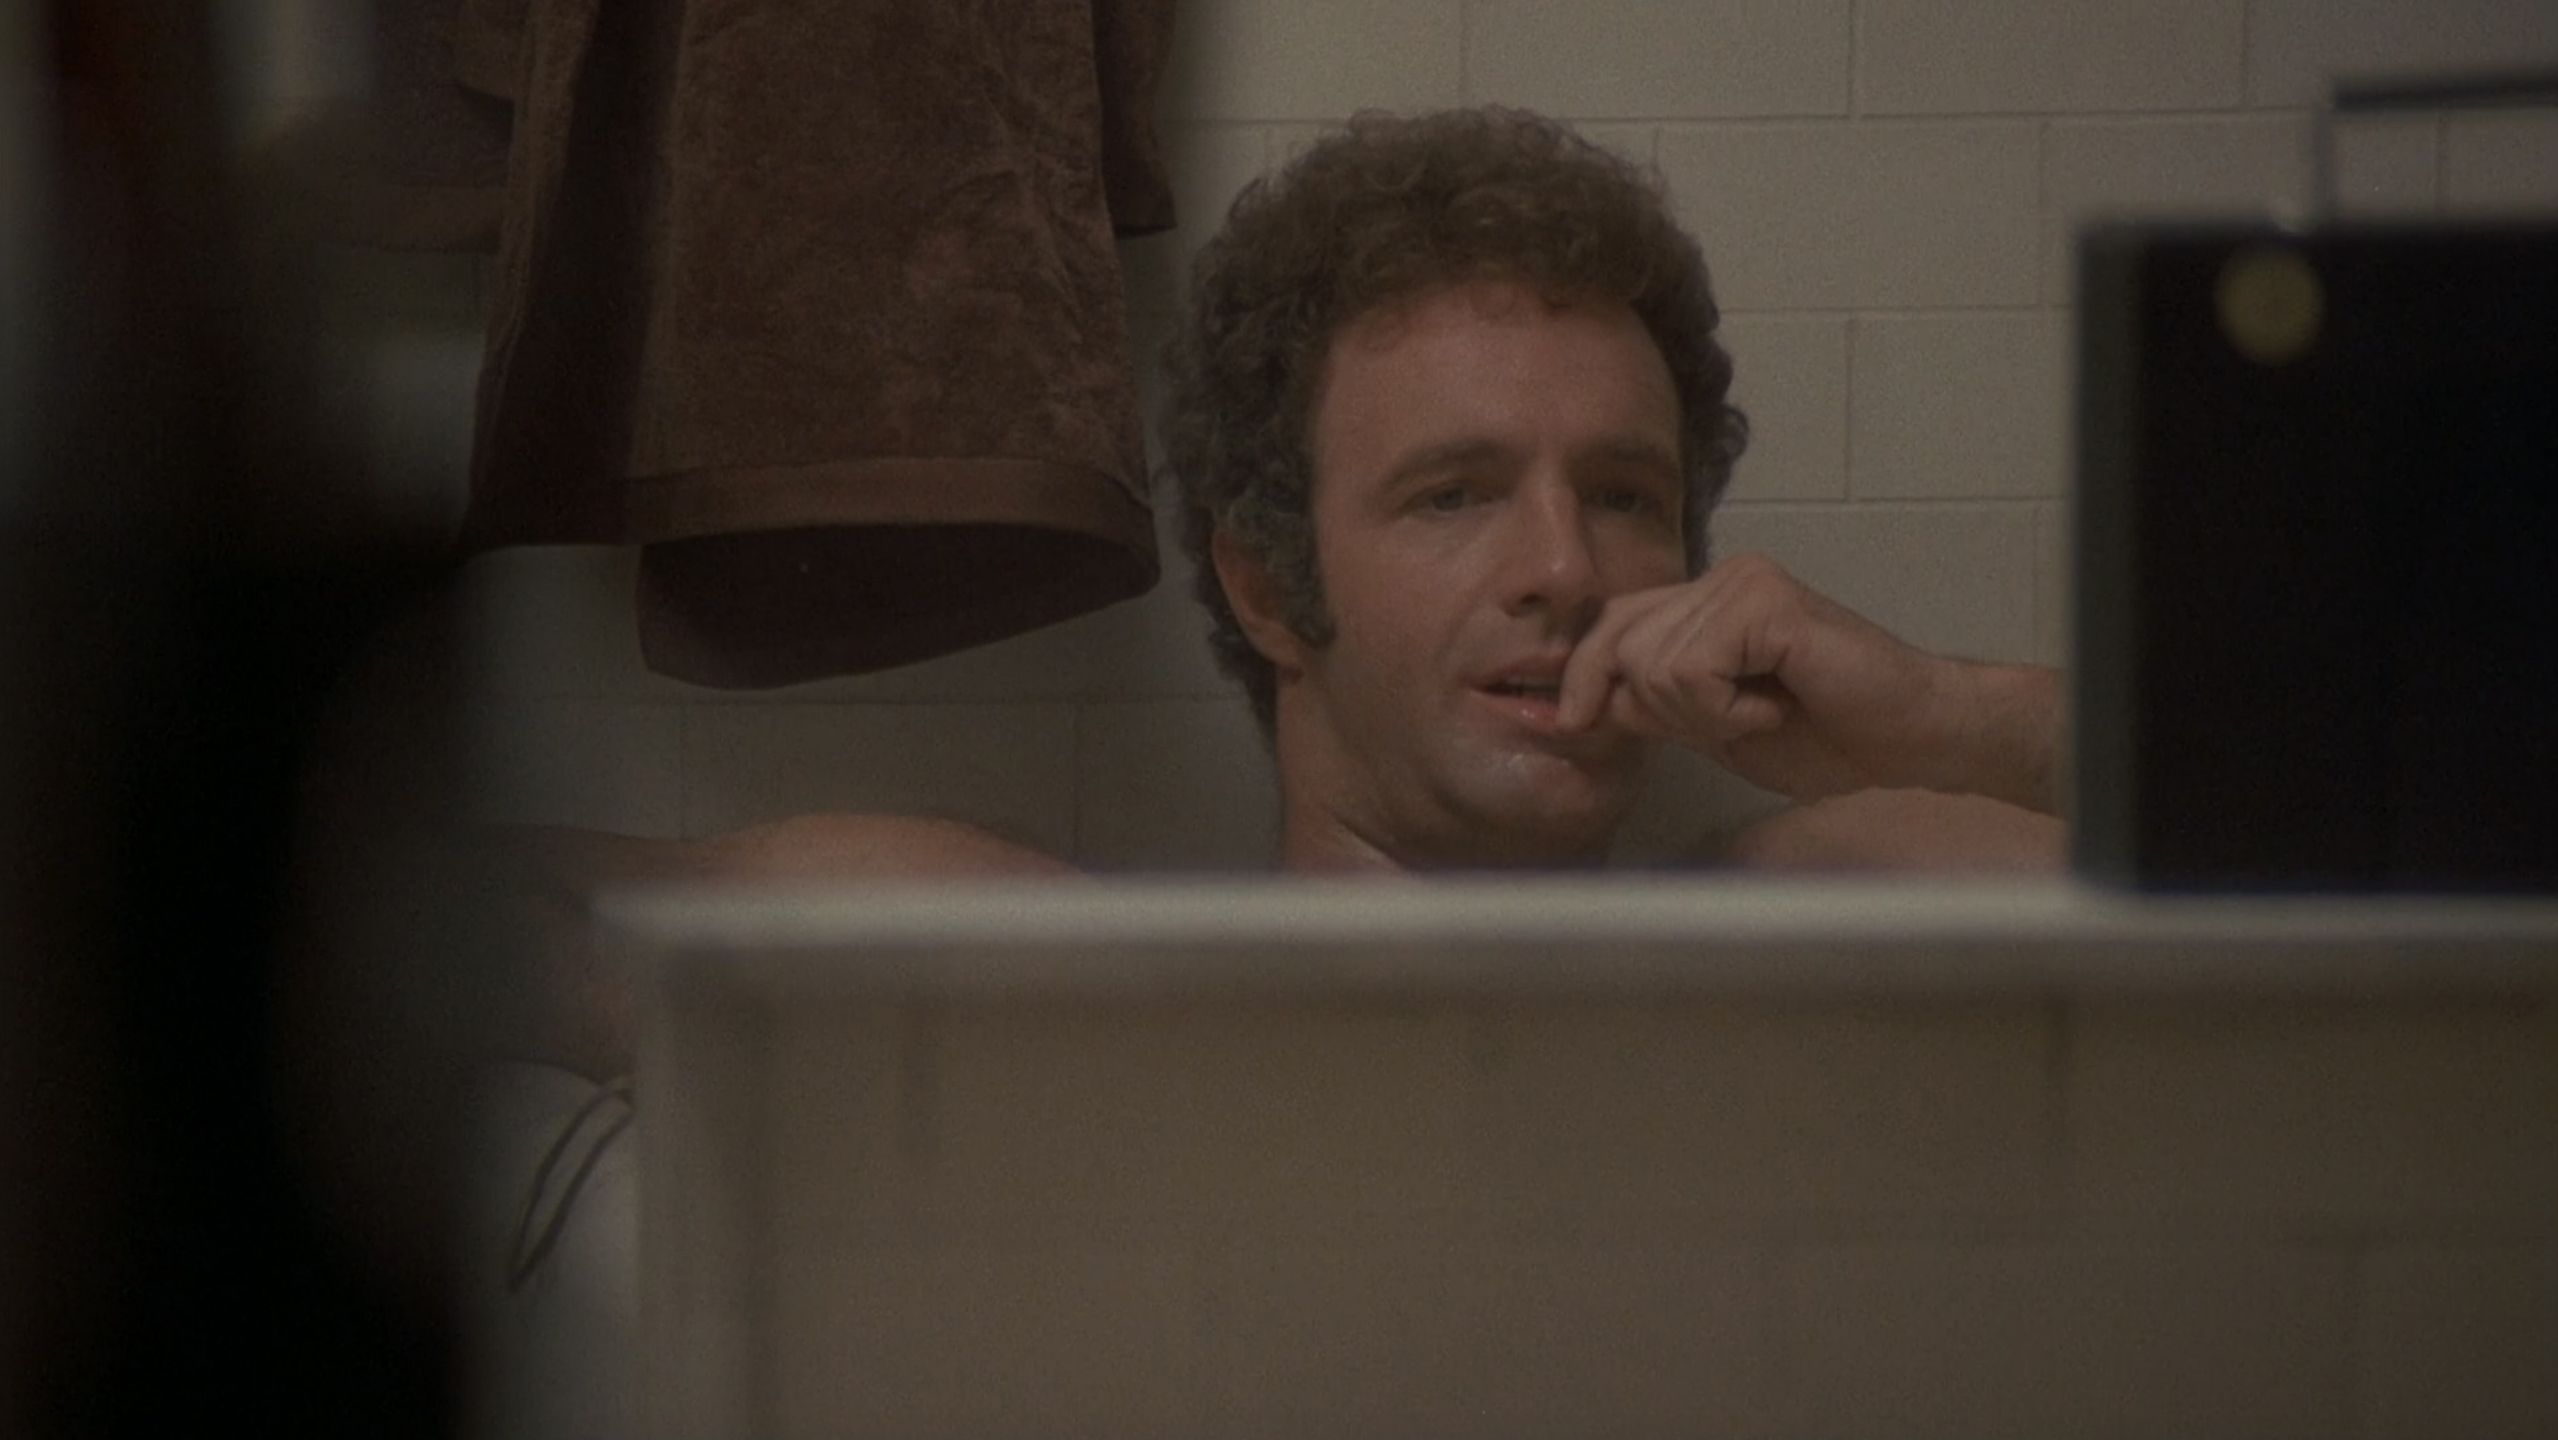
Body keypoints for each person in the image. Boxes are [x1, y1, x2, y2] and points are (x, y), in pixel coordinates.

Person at [1159, 105, 2064, 874]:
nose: (1567, 569)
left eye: (1622, 497)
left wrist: (1941, 718)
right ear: (1266, 588)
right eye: (1453, 496)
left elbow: (2165, 859)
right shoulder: (1121, 1001)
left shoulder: (1815, 921)